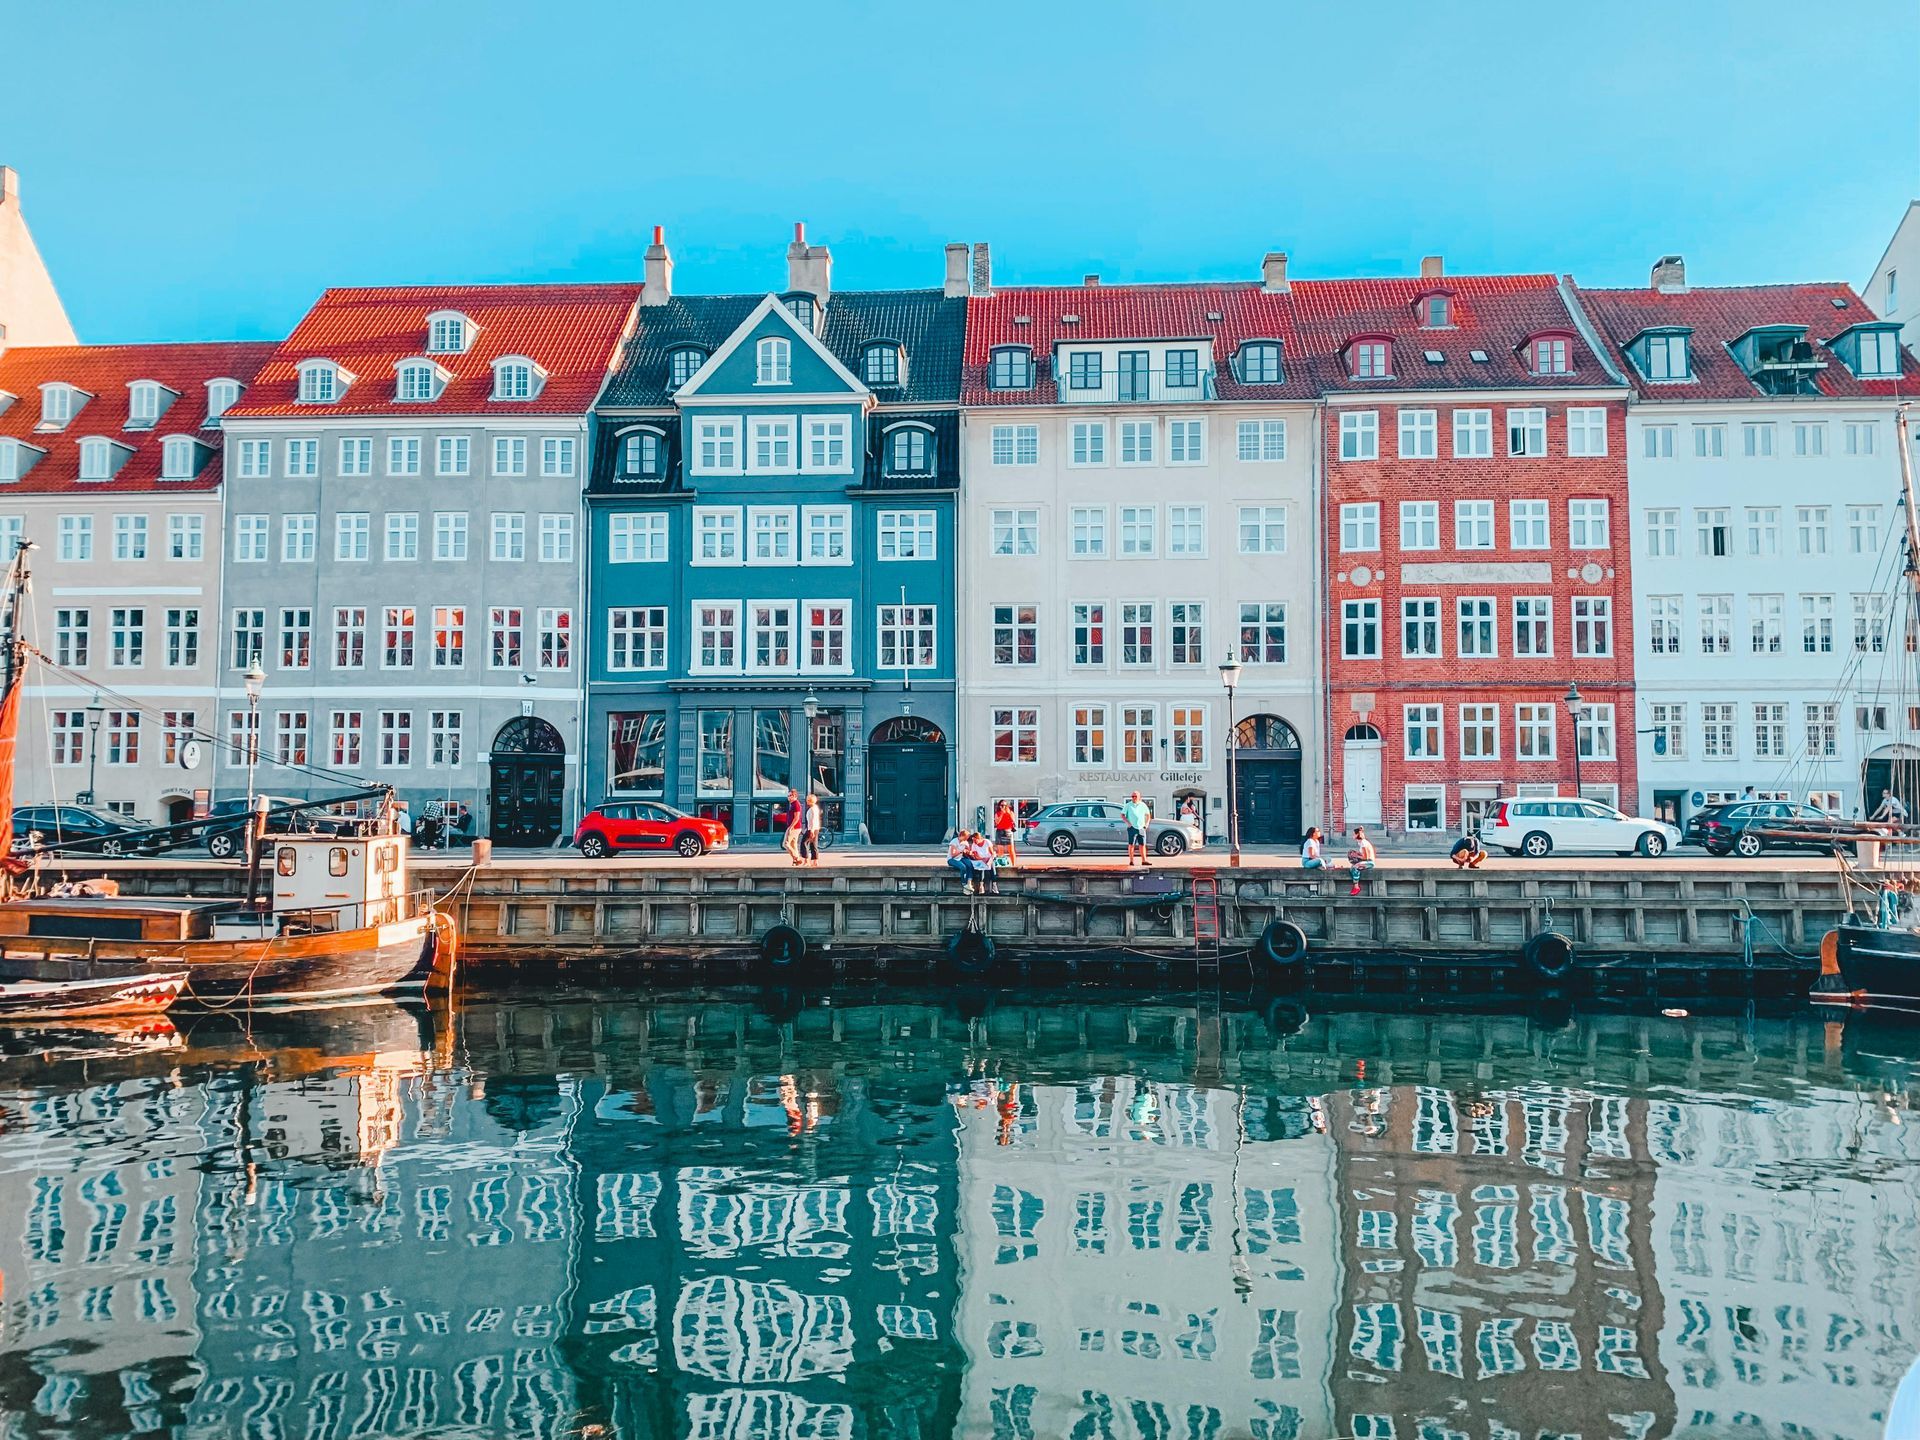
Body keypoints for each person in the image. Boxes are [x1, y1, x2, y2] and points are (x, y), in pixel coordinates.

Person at [1123, 791, 1153, 868]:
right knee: (1131, 844)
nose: (1134, 798)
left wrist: (1146, 824)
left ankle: (1144, 860)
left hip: (1141, 827)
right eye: (1132, 796)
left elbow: (1148, 815)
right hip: (1132, 827)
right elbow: (1123, 815)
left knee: (1142, 844)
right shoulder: (1128, 805)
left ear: (1139, 797)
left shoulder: (1143, 805)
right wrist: (1128, 823)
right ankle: (1131, 860)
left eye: (1135, 796)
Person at [1347, 826, 1376, 895]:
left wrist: (1356, 856)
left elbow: (1366, 857)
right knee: (1352, 868)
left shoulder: (1363, 843)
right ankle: (1356, 883)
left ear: (1357, 835)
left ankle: (1356, 887)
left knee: (1355, 867)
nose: (1353, 835)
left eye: (1354, 834)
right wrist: (1357, 853)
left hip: (1369, 862)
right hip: (1366, 861)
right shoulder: (1360, 843)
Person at [781, 789, 804, 865]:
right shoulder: (792, 804)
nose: (788, 797)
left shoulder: (796, 804)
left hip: (794, 827)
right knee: (793, 844)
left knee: (785, 844)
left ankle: (797, 858)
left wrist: (790, 827)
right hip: (795, 827)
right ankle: (795, 861)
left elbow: (796, 817)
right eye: (788, 796)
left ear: (794, 796)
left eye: (790, 795)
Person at [993, 799, 1018, 869]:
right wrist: (1001, 814)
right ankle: (1001, 865)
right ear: (999, 806)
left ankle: (1014, 865)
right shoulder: (997, 813)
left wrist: (1008, 813)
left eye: (1005, 805)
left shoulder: (1010, 812)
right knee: (1000, 850)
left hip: (1008, 831)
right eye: (1002, 805)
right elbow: (997, 822)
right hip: (1000, 831)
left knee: (1011, 850)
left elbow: (1013, 821)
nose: (1003, 807)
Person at [802, 793, 823, 866]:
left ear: (811, 801)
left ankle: (806, 860)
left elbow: (813, 820)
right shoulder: (815, 808)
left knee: (804, 843)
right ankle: (815, 861)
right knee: (813, 844)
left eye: (808, 800)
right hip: (814, 828)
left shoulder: (812, 809)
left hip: (812, 829)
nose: (806, 801)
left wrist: (811, 830)